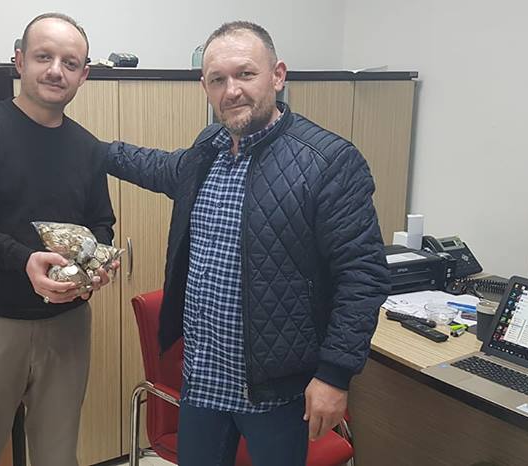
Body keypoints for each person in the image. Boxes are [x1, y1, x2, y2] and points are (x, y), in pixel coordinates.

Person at [105, 21, 390, 466]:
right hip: (203, 380)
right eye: (218, 79)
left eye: (245, 74)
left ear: (277, 75)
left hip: (275, 392)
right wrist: (92, 151)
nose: (232, 90)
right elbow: (159, 167)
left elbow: (363, 276)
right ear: (205, 87)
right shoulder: (209, 147)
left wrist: (335, 375)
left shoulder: (329, 161)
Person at [0, 12, 115, 466]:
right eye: (43, 57)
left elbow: (101, 223)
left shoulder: (87, 148)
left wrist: (97, 264)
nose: (56, 70)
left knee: (58, 455)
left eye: (70, 63)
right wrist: (24, 260)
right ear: (19, 61)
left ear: (83, 75)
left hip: (67, 327)